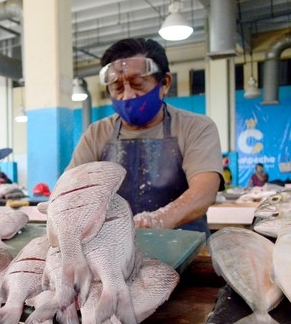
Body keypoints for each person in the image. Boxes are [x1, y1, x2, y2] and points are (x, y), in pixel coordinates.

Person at [67, 38, 222, 235]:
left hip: (184, 246)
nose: (128, 96)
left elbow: (204, 191)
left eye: (137, 84)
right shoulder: (96, 133)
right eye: (118, 88)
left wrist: (157, 220)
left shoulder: (196, 127)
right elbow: (71, 191)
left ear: (164, 83)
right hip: (114, 248)